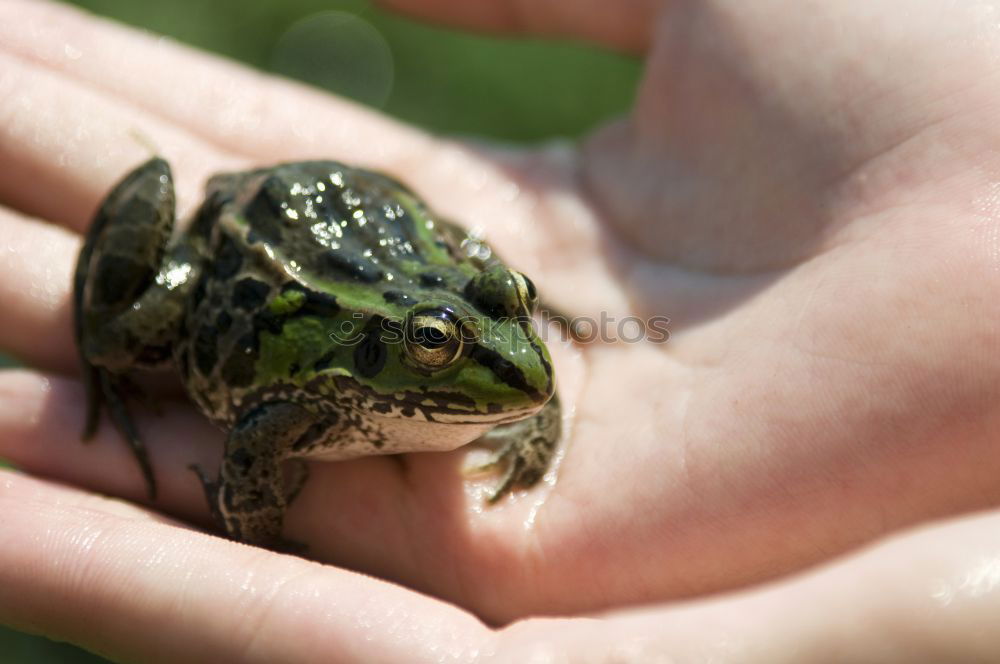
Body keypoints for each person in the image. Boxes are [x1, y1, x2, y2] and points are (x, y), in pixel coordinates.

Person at [1, 0, 1000, 659]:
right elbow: (256, 434)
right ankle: (105, 353)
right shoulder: (325, 389)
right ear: (402, 360)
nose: (521, 365)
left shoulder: (487, 346)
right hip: (244, 242)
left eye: (511, 304)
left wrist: (532, 420)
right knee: (136, 328)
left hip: (360, 218)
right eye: (438, 348)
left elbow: (520, 368)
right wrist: (254, 522)